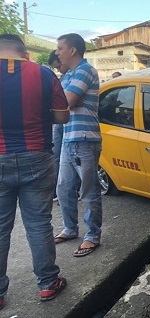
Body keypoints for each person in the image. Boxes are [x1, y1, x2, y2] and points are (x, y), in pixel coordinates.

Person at [0, 34, 69, 307]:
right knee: (39, 224)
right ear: (24, 53)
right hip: (37, 155)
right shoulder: (43, 73)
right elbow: (63, 116)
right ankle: (48, 284)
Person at [54, 33, 103, 257]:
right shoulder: (68, 76)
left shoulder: (85, 70)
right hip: (68, 139)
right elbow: (56, 104)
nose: (57, 52)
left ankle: (92, 235)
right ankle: (70, 228)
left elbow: (65, 103)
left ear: (72, 50)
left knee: (89, 191)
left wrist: (62, 101)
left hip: (85, 139)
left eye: (60, 48)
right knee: (64, 188)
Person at [48, 50, 70, 202]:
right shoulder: (63, 78)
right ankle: (57, 191)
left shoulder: (77, 75)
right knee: (56, 156)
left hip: (69, 124)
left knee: (64, 158)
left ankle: (68, 190)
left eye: (59, 65)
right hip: (60, 125)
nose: (59, 70)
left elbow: (69, 102)